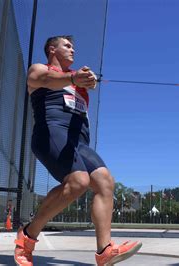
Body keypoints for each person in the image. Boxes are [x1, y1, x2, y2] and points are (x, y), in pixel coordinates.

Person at [13, 35, 142, 266]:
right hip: (50, 133)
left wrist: (83, 82)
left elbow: (76, 92)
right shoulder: (39, 69)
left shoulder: (76, 82)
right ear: (52, 49)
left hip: (78, 141)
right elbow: (46, 79)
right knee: (79, 181)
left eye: (73, 47)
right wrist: (73, 77)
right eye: (67, 45)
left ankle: (105, 252)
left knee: (105, 182)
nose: (73, 50)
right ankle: (27, 237)